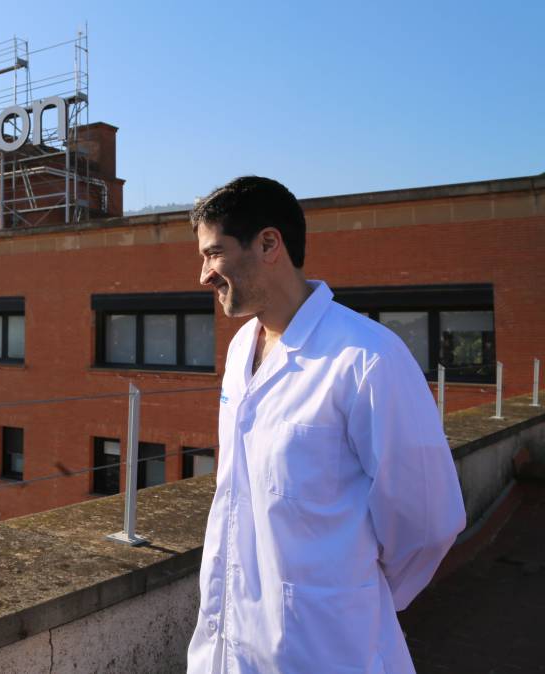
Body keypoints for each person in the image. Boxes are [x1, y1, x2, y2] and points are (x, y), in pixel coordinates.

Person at [186, 176, 465, 673]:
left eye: (214, 253)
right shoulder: (238, 352)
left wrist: (346, 594)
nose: (204, 274)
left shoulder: (367, 358)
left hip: (330, 650)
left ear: (270, 243)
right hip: (230, 648)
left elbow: (429, 520)